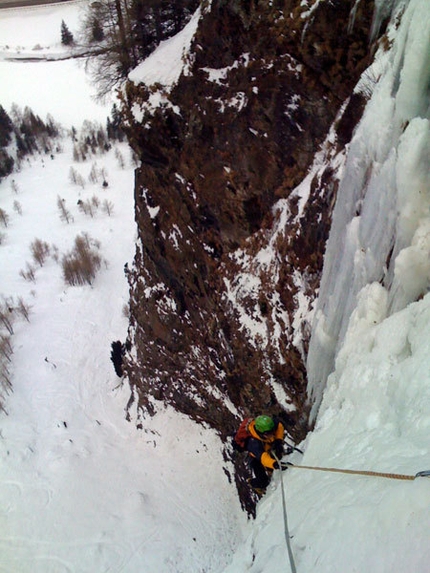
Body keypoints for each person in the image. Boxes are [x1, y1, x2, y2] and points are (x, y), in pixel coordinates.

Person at [233, 414, 289, 494]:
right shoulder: (252, 443)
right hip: (256, 458)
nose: (272, 435)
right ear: (261, 433)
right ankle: (251, 482)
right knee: (263, 481)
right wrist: (275, 464)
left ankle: (270, 472)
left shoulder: (268, 427)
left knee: (277, 455)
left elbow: (279, 426)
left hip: (267, 448)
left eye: (272, 432)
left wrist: (278, 440)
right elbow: (263, 458)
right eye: (269, 434)